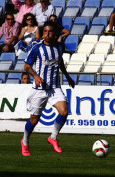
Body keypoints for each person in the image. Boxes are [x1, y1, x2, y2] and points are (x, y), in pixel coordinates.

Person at [21, 21, 75, 156]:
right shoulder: (37, 48)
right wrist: (36, 76)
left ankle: (53, 138)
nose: (47, 34)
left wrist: (68, 77)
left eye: (50, 31)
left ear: (55, 33)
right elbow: (26, 66)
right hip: (39, 89)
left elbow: (60, 61)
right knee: (34, 119)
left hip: (55, 88)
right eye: (45, 31)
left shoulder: (60, 47)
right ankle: (25, 142)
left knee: (64, 111)